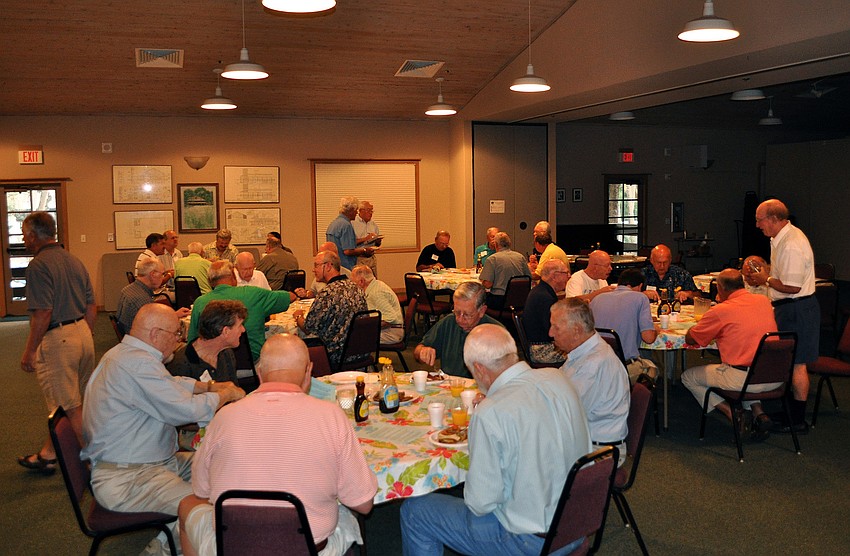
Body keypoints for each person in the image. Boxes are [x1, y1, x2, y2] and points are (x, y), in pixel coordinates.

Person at [400, 324, 591, 556]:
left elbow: (481, 504)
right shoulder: (559, 378)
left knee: (415, 511)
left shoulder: (491, 412)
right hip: (577, 523)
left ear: (479, 369)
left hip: (531, 541)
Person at [178, 334, 377, 556]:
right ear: (309, 371)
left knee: (187, 506)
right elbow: (364, 503)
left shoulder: (223, 417)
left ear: (260, 373)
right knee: (348, 514)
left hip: (234, 547)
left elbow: (202, 489)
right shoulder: (332, 416)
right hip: (311, 550)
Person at [81, 304, 244, 553]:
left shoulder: (127, 355)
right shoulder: (136, 364)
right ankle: (163, 549)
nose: (179, 341)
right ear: (156, 334)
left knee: (221, 464)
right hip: (129, 478)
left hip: (147, 463)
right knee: (210, 506)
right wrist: (226, 394)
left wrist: (208, 387)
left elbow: (168, 384)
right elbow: (185, 410)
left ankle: (164, 542)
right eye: (175, 334)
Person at [17, 211, 96, 474]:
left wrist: (30, 351)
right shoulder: (73, 260)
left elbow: (43, 312)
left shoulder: (38, 266)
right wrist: (83, 333)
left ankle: (96, 464)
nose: (23, 239)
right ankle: (48, 455)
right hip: (83, 335)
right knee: (73, 401)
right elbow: (91, 305)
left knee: (68, 406)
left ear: (32, 235)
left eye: (24, 234)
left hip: (59, 339)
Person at [746, 198, 819, 433]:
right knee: (789, 362)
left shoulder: (792, 243)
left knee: (797, 363)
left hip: (797, 308)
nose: (757, 225)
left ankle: (797, 419)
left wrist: (764, 279)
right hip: (789, 308)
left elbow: (792, 286)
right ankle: (789, 410)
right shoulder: (779, 239)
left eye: (759, 220)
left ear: (774, 219)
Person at [681, 269, 780, 440]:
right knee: (749, 364)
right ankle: (758, 413)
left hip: (743, 379)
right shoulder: (763, 301)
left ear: (720, 288)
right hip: (774, 375)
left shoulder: (722, 310)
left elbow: (692, 339)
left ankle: (734, 415)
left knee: (688, 377)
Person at [550, 298, 630, 466]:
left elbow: (565, 417)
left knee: (525, 461)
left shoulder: (593, 365)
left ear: (577, 331)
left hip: (598, 452)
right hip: (588, 439)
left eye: (556, 327)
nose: (550, 333)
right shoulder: (585, 351)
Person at [188, 261, 292, 361]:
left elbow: (192, 340)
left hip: (213, 363)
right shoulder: (253, 294)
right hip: (251, 361)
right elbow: (287, 297)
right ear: (233, 275)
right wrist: (296, 294)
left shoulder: (200, 303)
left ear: (210, 281)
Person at [294, 251, 367, 368]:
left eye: (316, 265)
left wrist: (298, 316)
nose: (313, 270)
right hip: (361, 350)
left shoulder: (327, 293)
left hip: (336, 353)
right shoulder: (356, 288)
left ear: (328, 266)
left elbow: (308, 328)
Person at [413, 281, 501, 377]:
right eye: (457, 312)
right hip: (450, 387)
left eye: (467, 315)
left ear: (482, 311)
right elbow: (418, 351)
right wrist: (422, 352)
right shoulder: (449, 322)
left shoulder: (497, 333)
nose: (460, 319)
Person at [590, 268, 658, 382]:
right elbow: (649, 338)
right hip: (624, 368)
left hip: (596, 367)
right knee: (653, 368)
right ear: (640, 286)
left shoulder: (597, 299)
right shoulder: (640, 298)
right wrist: (656, 328)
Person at [167, 300, 247, 383]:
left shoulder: (226, 353)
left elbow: (234, 391)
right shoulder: (181, 366)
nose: (243, 330)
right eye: (240, 325)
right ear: (225, 331)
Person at [116, 258, 190, 335]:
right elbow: (157, 327)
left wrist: (174, 314)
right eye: (162, 274)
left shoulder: (128, 289)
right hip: (141, 339)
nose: (163, 278)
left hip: (130, 335)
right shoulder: (142, 299)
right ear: (153, 274)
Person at [522, 259, 570, 366]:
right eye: (566, 273)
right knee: (583, 353)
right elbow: (552, 332)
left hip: (537, 345)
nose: (569, 276)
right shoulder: (545, 297)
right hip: (541, 350)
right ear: (555, 276)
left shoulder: (540, 291)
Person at [351, 264, 404, 344]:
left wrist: (368, 327)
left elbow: (390, 318)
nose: (352, 286)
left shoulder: (376, 293)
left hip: (392, 332)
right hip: (390, 329)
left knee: (352, 338)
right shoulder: (376, 286)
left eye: (353, 282)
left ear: (362, 281)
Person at [478, 232, 531, 310]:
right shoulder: (520, 257)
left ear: (495, 244)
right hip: (520, 300)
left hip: (500, 300)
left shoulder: (493, 259)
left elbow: (488, 284)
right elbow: (529, 277)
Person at [327, 196, 373, 270]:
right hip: (346, 267)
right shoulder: (346, 225)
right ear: (351, 210)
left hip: (335, 266)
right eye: (356, 210)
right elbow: (348, 251)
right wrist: (364, 251)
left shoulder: (334, 224)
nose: (356, 213)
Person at [352, 200, 382, 277]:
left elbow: (377, 244)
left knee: (373, 284)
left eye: (372, 210)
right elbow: (350, 243)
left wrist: (378, 241)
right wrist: (365, 239)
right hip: (359, 258)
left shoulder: (373, 224)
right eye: (369, 210)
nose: (371, 213)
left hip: (371, 258)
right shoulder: (353, 223)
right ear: (361, 211)